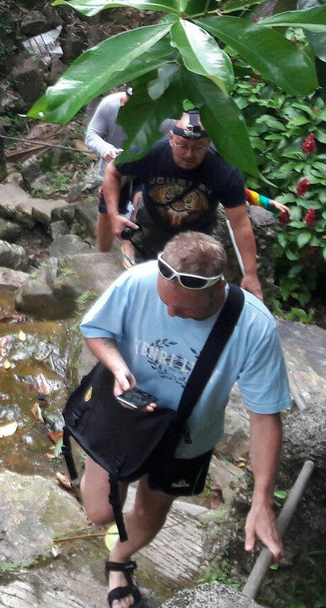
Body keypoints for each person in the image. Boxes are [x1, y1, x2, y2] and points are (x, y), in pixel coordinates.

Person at [79, 231, 289, 608]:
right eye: (165, 303)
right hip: (123, 416)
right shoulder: (138, 280)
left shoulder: (255, 328)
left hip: (187, 437)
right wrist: (117, 366)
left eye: (185, 310)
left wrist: (262, 499)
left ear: (217, 289)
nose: (171, 314)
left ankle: (119, 560)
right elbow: (95, 330)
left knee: (150, 510)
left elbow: (265, 417)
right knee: (99, 513)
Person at [103, 110, 264, 299]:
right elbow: (113, 171)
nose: (189, 154)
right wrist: (113, 215)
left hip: (195, 237)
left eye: (198, 148)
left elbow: (240, 223)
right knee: (143, 287)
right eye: (183, 145)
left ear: (209, 143)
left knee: (187, 292)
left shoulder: (224, 170)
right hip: (150, 226)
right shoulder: (150, 150)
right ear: (171, 138)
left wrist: (251, 273)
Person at [85, 87, 132, 254]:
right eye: (125, 100)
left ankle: (131, 254)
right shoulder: (110, 105)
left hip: (142, 170)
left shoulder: (159, 110)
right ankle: (102, 255)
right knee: (105, 214)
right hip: (112, 170)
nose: (125, 104)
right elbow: (91, 135)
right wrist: (105, 148)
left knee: (139, 213)